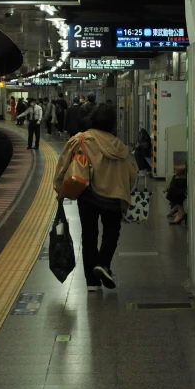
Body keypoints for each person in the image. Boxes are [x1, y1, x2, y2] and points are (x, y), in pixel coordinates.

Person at [53, 103, 137, 291]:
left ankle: (92, 281)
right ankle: (103, 264)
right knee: (111, 234)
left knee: (89, 236)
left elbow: (63, 165)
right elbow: (132, 174)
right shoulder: (120, 147)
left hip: (88, 195)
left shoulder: (82, 139)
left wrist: (59, 188)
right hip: (115, 198)